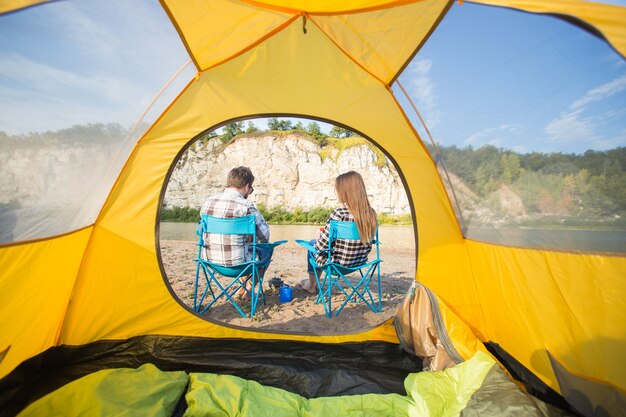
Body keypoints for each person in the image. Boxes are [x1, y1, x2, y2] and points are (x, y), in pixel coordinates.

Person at [299, 171, 377, 294]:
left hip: (337, 265)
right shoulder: (371, 214)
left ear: (345, 192)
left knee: (312, 244)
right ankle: (312, 284)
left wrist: (319, 237)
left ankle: (312, 285)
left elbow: (320, 247)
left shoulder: (339, 214)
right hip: (359, 262)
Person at [200, 166, 272, 298]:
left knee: (244, 246)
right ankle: (248, 290)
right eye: (251, 190)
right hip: (239, 265)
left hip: (210, 262)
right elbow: (265, 237)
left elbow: (201, 232)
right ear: (247, 187)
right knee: (266, 250)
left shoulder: (208, 203)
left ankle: (243, 288)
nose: (249, 193)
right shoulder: (246, 206)